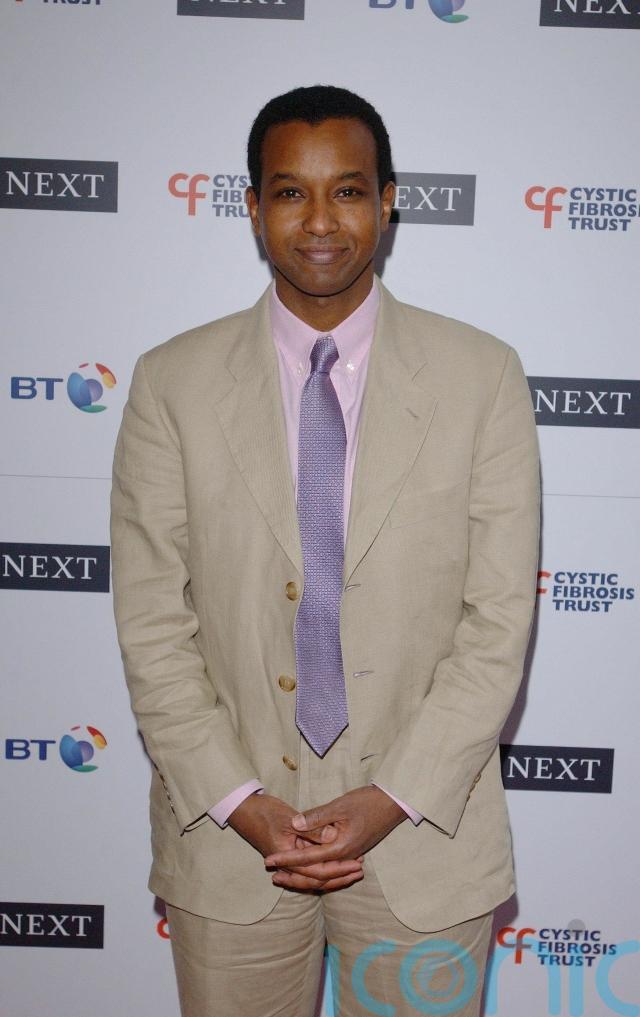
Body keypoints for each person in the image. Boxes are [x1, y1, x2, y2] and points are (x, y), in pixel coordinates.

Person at [110, 85, 540, 1017]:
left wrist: (391, 796)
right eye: (289, 193)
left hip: (426, 833)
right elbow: (151, 626)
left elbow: (499, 623)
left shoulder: (483, 377)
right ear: (252, 207)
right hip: (230, 843)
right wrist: (241, 800)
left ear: (388, 201)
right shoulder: (170, 383)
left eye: (346, 191)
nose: (318, 222)